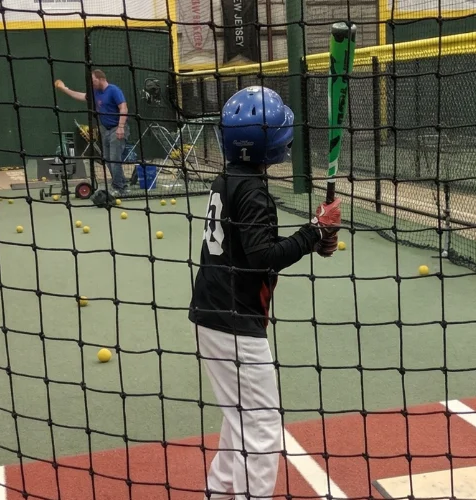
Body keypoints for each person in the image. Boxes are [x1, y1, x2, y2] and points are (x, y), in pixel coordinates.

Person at [188, 86, 341, 499]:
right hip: (235, 325)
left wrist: (315, 235)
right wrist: (315, 231)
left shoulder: (228, 179)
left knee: (238, 423)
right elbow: (262, 257)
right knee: (260, 429)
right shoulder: (253, 191)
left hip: (211, 315)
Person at [55, 70, 129, 194]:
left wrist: (121, 127)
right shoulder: (95, 92)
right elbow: (80, 96)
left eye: (93, 80)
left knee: (114, 159)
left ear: (100, 79)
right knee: (107, 159)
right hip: (105, 129)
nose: (91, 84)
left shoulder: (113, 90)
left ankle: (119, 188)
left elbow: (123, 107)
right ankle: (122, 185)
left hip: (118, 127)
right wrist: (64, 89)